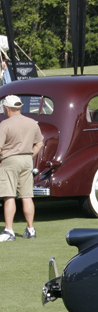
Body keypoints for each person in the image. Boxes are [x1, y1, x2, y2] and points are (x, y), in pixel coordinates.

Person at [0, 95, 43, 241]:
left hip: (10, 160)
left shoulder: (5, 124)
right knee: (27, 195)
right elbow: (39, 143)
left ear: (7, 108)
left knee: (9, 195)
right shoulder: (32, 123)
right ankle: (31, 229)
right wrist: (30, 156)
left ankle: (9, 231)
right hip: (26, 159)